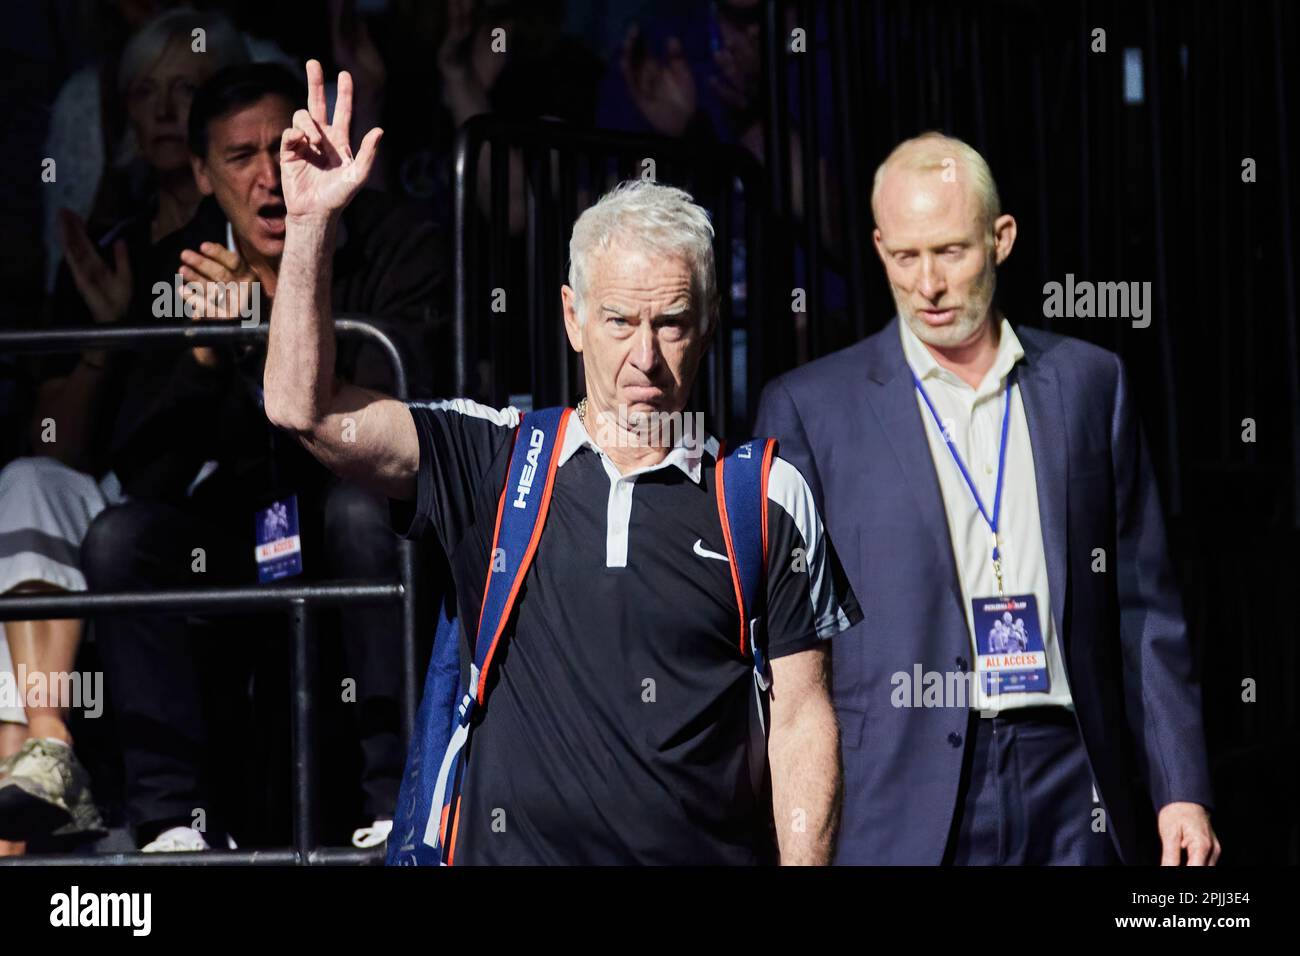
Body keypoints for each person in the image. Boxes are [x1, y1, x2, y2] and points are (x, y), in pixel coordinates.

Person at [264, 60, 862, 864]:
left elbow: (801, 719)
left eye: (673, 324)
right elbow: (304, 408)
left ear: (712, 323)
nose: (644, 357)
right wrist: (309, 231)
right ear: (573, 318)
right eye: (619, 321)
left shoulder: (761, 495)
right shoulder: (497, 455)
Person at [755, 132, 1221, 866]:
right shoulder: (813, 408)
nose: (928, 284)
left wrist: (1181, 788)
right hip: (903, 788)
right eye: (905, 257)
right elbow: (787, 649)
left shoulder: (1090, 384)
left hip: (1071, 771)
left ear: (1000, 239)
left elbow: (1144, 607)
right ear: (878, 249)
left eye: (950, 251)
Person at [80, 62, 446, 852]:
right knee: (120, 537)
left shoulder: (394, 239)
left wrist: (273, 314)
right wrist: (209, 363)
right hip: (244, 532)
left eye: (281, 147)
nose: (267, 178)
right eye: (238, 158)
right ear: (204, 177)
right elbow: (141, 470)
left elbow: (386, 412)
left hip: (357, 512)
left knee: (358, 512)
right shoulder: (178, 268)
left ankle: (400, 804)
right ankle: (173, 828)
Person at [0, 7, 249, 853]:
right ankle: (50, 743)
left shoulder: (251, 230)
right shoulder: (107, 251)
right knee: (24, 486)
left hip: (203, 506)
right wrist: (108, 332)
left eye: (187, 89)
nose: (163, 110)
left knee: (110, 530)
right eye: (144, 93)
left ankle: (25, 833)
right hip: (109, 492)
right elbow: (51, 449)